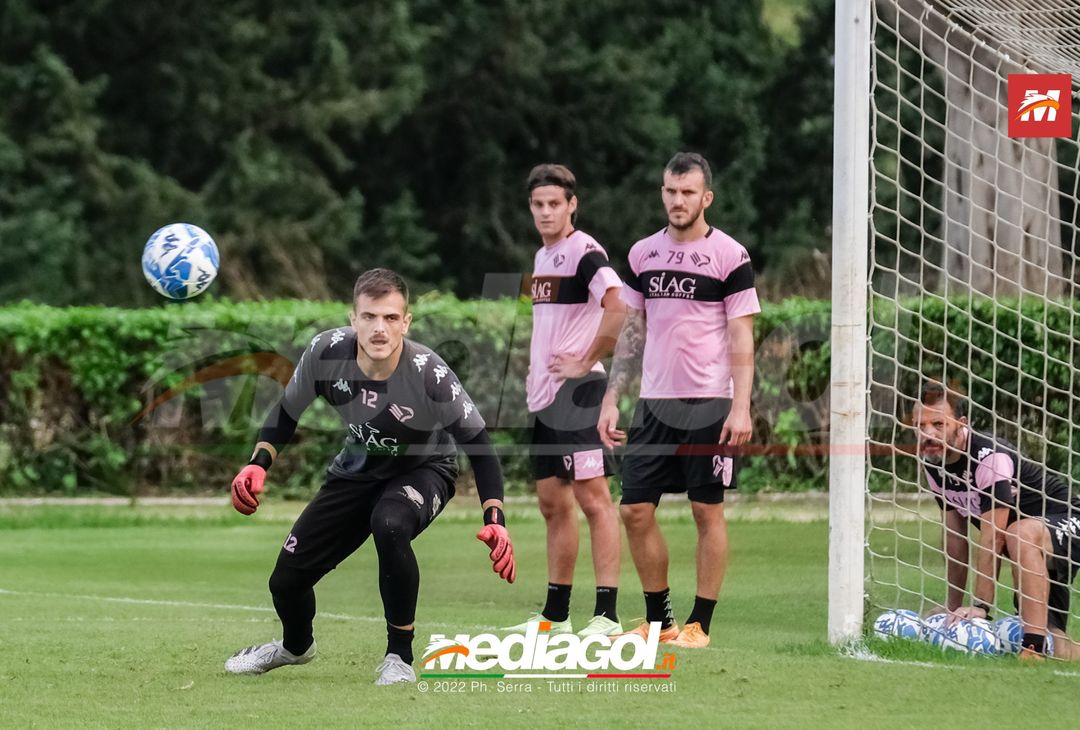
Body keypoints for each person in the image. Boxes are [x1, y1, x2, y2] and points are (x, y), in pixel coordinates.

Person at [224, 268, 516, 684]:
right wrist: (257, 463)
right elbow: (287, 412)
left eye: (391, 318)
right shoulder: (325, 353)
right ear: (353, 319)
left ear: (406, 322)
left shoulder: (428, 372)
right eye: (370, 317)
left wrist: (495, 521)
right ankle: (294, 647)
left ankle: (399, 658)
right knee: (286, 582)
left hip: (425, 469)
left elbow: (481, 449)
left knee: (390, 522)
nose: (380, 328)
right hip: (357, 469)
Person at [597, 152, 759, 649]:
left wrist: (740, 406)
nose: (677, 200)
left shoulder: (731, 256)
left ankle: (699, 625)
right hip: (655, 402)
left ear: (705, 197)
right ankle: (659, 619)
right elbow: (632, 331)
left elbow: (741, 335)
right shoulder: (643, 254)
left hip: (709, 402)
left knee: (705, 511)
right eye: (670, 191)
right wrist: (612, 398)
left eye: (688, 192)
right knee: (635, 510)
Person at [502, 164, 626, 637]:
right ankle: (555, 614)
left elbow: (617, 304)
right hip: (546, 398)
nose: (547, 211)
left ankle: (607, 616)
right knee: (553, 503)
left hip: (579, 392)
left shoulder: (585, 251)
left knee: (594, 500)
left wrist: (586, 359)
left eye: (556, 203)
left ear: (572, 205)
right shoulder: (543, 256)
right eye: (539, 204)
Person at [914, 380, 1080, 660]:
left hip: (1068, 519)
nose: (928, 434)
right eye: (920, 426)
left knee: (1018, 532)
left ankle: (1032, 649)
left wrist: (981, 606)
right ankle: (1045, 646)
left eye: (938, 425)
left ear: (962, 423)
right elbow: (955, 539)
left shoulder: (989, 457)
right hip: (1030, 552)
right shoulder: (935, 464)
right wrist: (953, 606)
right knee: (1059, 647)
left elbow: (993, 536)